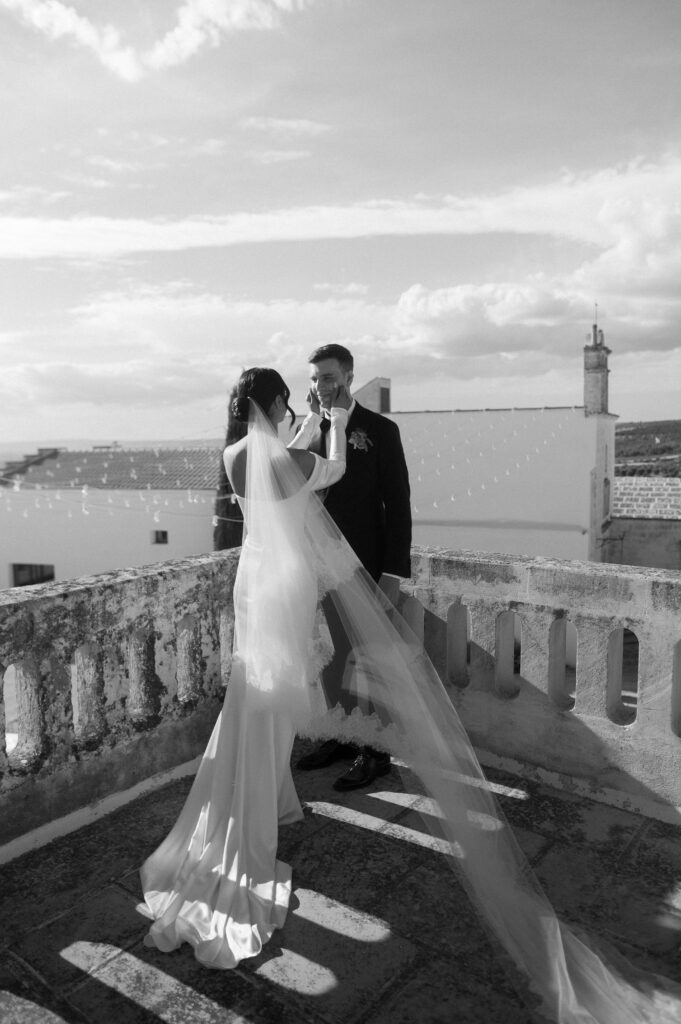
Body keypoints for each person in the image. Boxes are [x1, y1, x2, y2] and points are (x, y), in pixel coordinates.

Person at [138, 366, 676, 1022]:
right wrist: (333, 421)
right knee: (276, 698)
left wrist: (311, 425)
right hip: (288, 591)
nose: (289, 411)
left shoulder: (231, 453)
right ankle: (252, 819)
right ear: (275, 404)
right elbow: (327, 470)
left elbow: (283, 469)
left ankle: (256, 800)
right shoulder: (287, 454)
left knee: (257, 695)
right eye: (286, 404)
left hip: (254, 585)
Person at [290, 344, 412, 790]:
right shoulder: (308, 429)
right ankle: (342, 736)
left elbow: (398, 506)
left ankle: (375, 752)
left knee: (370, 662)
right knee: (332, 658)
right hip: (318, 571)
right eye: (313, 379)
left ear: (348, 376)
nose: (319, 387)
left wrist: (393, 574)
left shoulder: (380, 430)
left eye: (326, 377)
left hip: (365, 568)